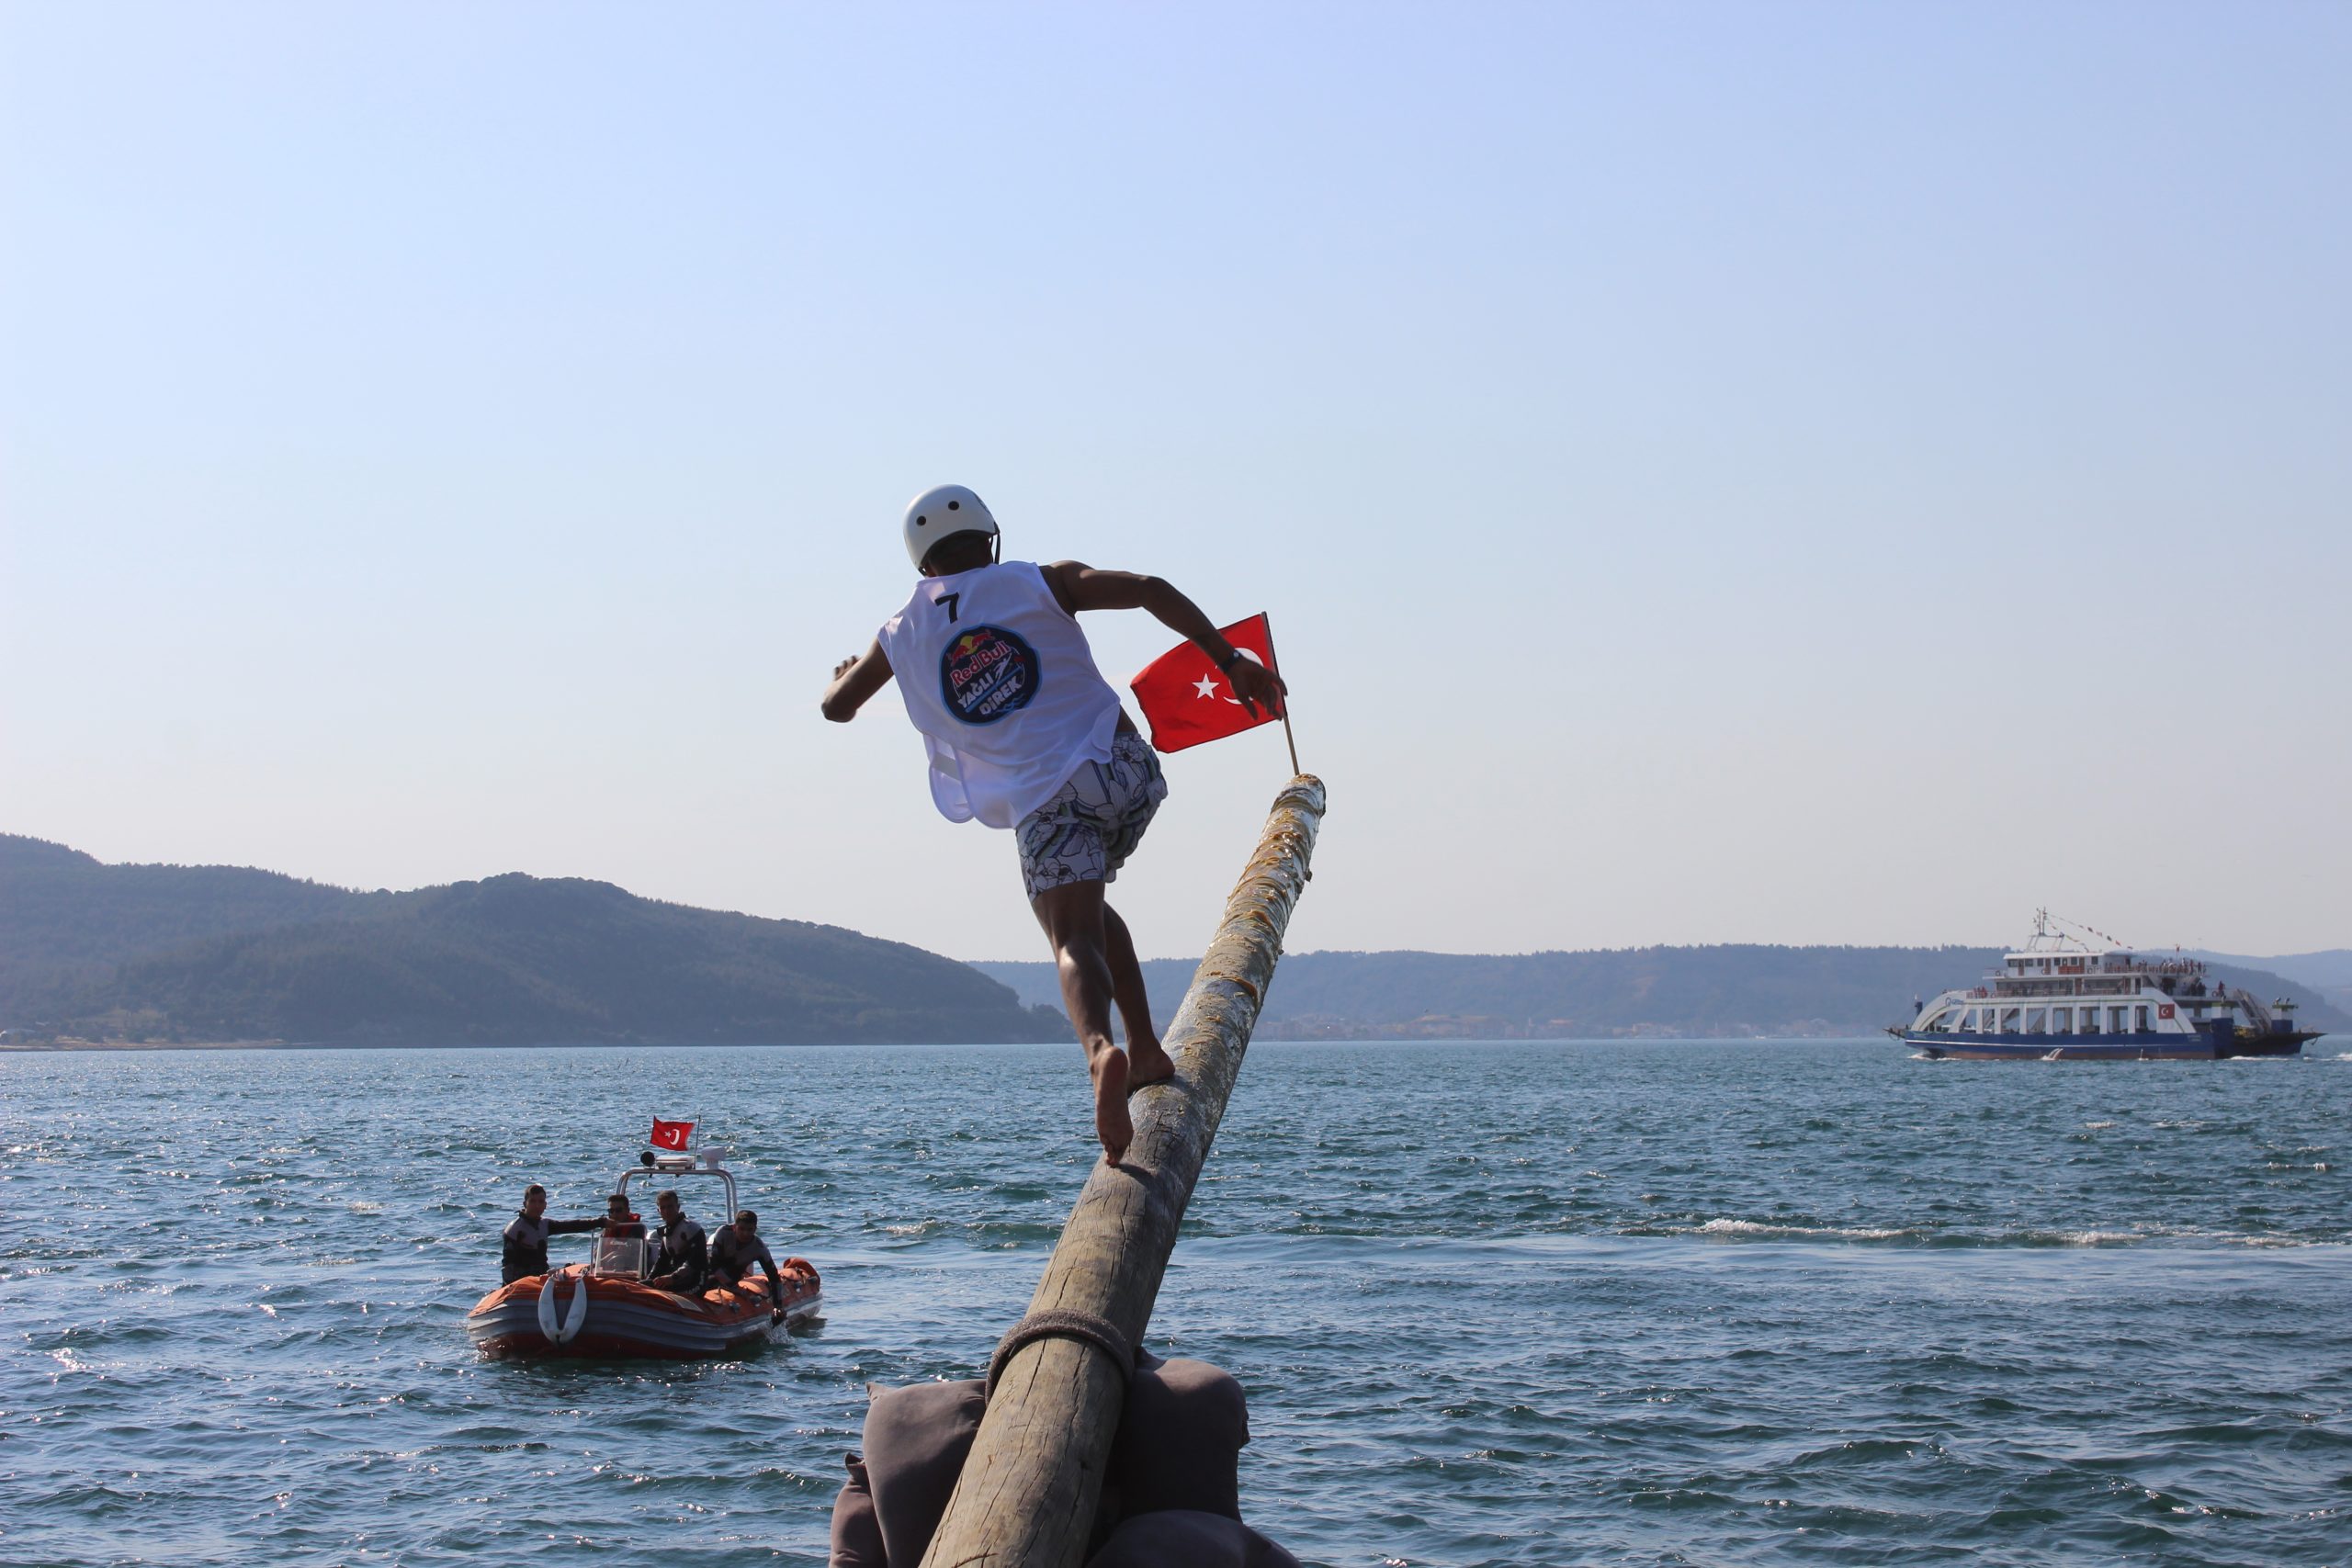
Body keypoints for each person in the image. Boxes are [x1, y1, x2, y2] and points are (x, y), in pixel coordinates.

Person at [821, 485, 1284, 1166]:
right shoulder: (1040, 580)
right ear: (990, 539)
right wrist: (1228, 658)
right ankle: (1149, 1049)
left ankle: (1101, 1051)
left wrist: (847, 672)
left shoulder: (901, 631)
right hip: (1121, 769)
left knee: (1070, 935)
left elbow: (837, 706)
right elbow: (1149, 587)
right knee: (1089, 906)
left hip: (1043, 801)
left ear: (922, 563)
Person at [499, 1183, 602, 1284]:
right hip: (521, 1281)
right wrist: (510, 1287)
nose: (537, 1205)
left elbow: (572, 1226)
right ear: (525, 1204)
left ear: (545, 1205)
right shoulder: (515, 1229)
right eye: (532, 1201)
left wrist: (600, 1222)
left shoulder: (545, 1224)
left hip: (541, 1277)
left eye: (541, 1201)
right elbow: (507, 1265)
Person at [710, 1209, 788, 1314]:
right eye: (741, 1229)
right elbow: (714, 1265)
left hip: (733, 1276)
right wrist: (734, 1287)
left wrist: (778, 1306)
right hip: (712, 1272)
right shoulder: (723, 1232)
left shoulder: (759, 1248)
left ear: (755, 1229)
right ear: (734, 1227)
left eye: (749, 1230)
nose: (745, 1233)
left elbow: (774, 1277)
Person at [648, 1190, 708, 1294]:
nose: (667, 1211)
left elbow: (695, 1262)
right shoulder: (666, 1232)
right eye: (663, 1208)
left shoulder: (691, 1228)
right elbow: (662, 1262)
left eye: (670, 1206)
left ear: (678, 1207)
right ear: (658, 1211)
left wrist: (672, 1277)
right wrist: (648, 1280)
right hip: (677, 1279)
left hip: (696, 1281)